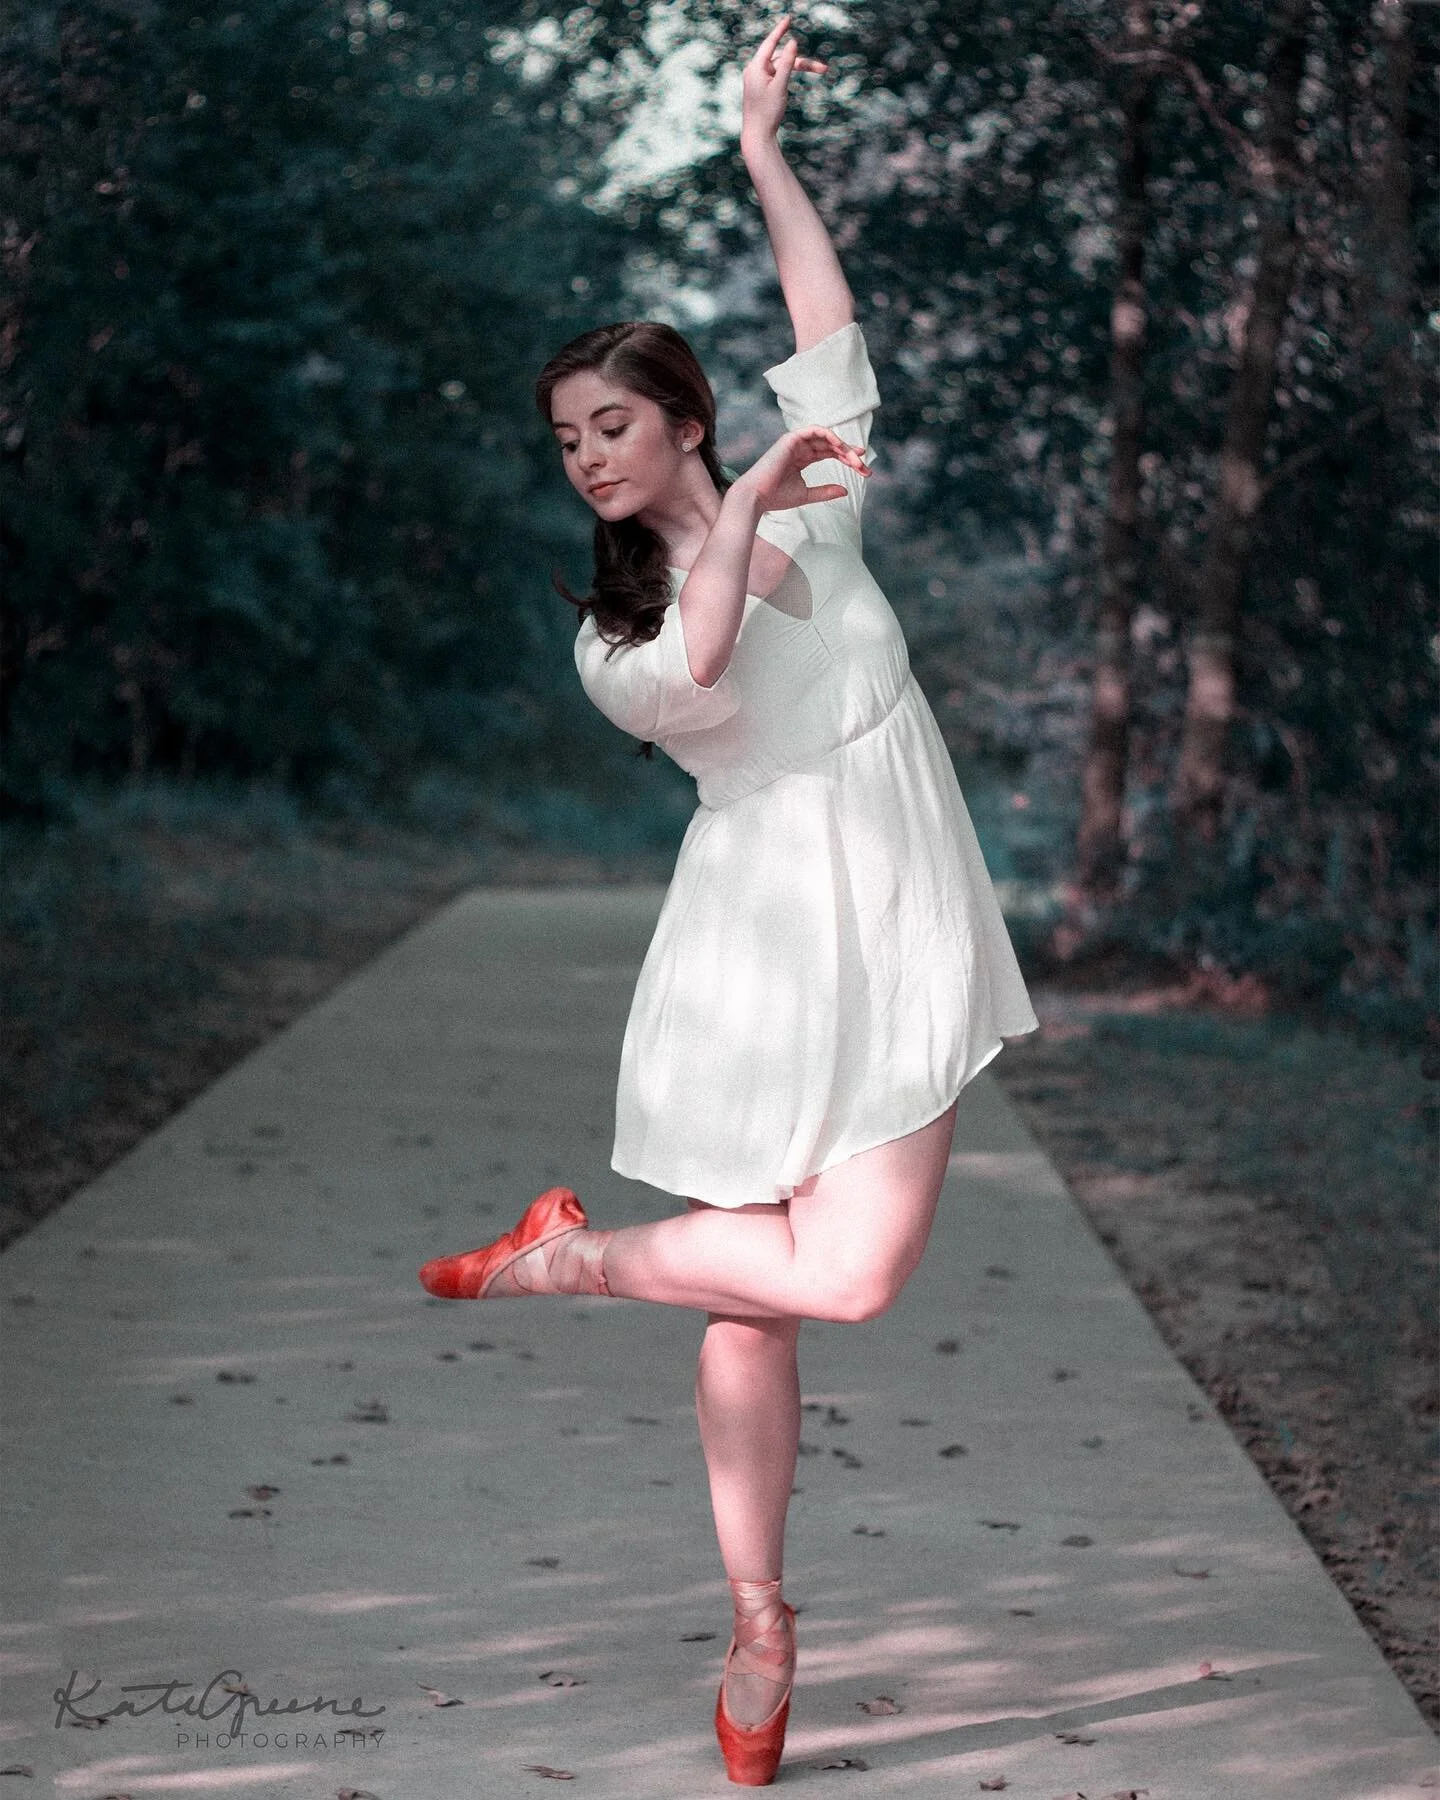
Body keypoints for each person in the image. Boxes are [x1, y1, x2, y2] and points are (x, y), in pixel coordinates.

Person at [419, 13, 1039, 1786]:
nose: (586, 457)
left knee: (848, 1279)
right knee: (757, 1302)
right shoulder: (610, 635)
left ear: (680, 411)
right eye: (563, 441)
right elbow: (702, 664)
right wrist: (759, 486)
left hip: (900, 914)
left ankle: (571, 1262)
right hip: (757, 950)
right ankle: (761, 1620)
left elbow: (826, 336)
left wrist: (763, 154)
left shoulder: (823, 518)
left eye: (610, 423)